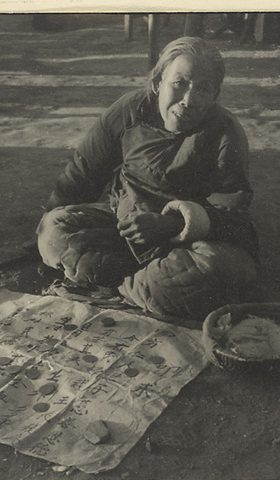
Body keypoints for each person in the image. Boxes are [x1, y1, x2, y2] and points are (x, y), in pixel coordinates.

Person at [36, 37, 259, 320]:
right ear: (157, 82)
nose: (188, 100)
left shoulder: (225, 133)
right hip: (124, 229)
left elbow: (235, 217)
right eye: (179, 83)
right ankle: (141, 289)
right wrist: (44, 230)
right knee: (54, 230)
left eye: (203, 89)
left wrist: (172, 224)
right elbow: (82, 173)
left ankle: (111, 288)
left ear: (214, 95)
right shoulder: (130, 111)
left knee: (218, 269)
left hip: (187, 244)